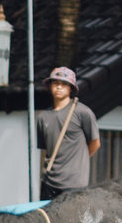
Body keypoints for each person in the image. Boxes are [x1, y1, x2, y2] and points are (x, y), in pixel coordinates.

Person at [35, 66, 100, 201]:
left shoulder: (82, 112)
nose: (59, 87)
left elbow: (95, 143)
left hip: (74, 182)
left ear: (71, 88)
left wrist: (78, 160)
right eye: (55, 83)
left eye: (64, 84)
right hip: (49, 182)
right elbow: (46, 150)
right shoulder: (43, 117)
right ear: (49, 86)